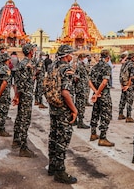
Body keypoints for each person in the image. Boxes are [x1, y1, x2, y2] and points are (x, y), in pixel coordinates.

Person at [47, 44, 78, 184]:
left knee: (53, 136)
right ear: (66, 55)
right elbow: (65, 92)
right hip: (63, 109)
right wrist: (74, 109)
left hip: (53, 106)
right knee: (62, 139)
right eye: (71, 54)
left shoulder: (52, 66)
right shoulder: (67, 69)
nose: (72, 56)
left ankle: (52, 166)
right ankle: (60, 172)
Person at [11, 43, 37, 157]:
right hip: (25, 96)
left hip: (24, 94)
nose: (34, 51)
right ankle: (23, 148)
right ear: (30, 51)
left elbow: (18, 82)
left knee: (19, 118)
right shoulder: (26, 64)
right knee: (25, 121)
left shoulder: (24, 63)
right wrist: (17, 96)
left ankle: (16, 140)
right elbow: (21, 84)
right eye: (33, 49)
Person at [88, 49, 115, 147]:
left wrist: (95, 92)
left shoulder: (95, 66)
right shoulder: (106, 66)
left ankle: (93, 133)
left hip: (97, 94)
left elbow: (89, 81)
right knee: (105, 115)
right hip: (104, 94)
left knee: (95, 113)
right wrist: (98, 93)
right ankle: (102, 138)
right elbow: (104, 82)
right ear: (108, 58)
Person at [0, 52, 12, 137]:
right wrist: (0, 93)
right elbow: (4, 83)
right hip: (3, 93)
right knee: (3, 111)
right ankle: (1, 130)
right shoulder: (5, 69)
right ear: (7, 59)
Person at [118, 53, 134, 123]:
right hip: (128, 85)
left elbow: (120, 74)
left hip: (123, 84)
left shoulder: (124, 64)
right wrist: (128, 85)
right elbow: (132, 76)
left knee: (123, 99)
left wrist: (122, 85)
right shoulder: (131, 65)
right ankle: (128, 117)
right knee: (129, 101)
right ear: (132, 57)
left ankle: (120, 114)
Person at [74, 53, 90, 129]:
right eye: (84, 57)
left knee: (78, 104)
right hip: (81, 88)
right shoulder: (79, 66)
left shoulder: (83, 65)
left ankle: (75, 120)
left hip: (83, 87)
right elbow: (76, 78)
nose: (86, 59)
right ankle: (80, 122)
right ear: (81, 58)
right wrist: (79, 86)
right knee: (80, 105)